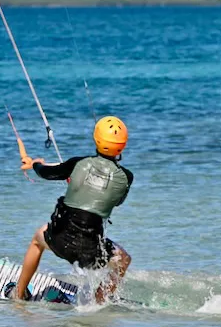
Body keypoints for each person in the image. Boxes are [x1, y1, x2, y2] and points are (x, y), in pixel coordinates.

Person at [7, 115, 135, 304]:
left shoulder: (77, 163)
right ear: (122, 145)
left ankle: (19, 294)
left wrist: (35, 164)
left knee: (37, 239)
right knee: (124, 260)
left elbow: (47, 173)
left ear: (96, 138)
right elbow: (116, 201)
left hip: (60, 240)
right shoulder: (127, 177)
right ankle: (99, 301)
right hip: (91, 251)